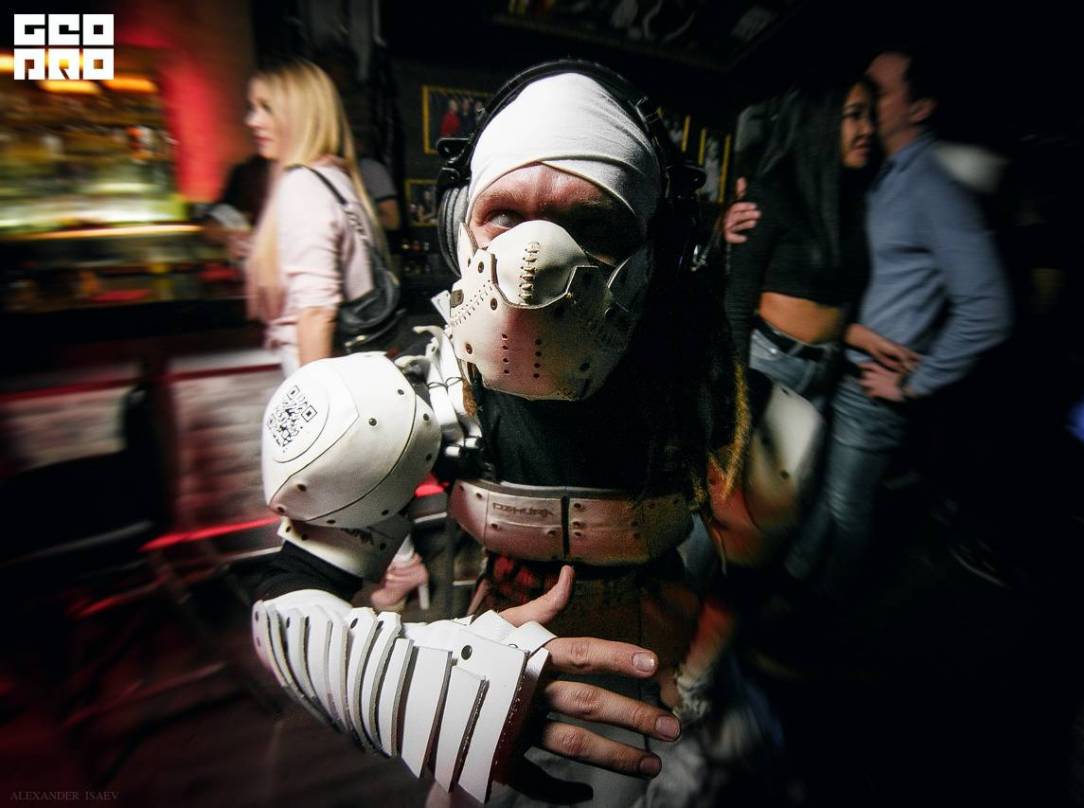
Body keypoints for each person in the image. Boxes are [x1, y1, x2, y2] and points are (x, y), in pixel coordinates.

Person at [247, 62, 800, 805]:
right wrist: (409, 684)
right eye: (505, 216)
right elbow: (287, 602)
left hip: (653, 672)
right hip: (493, 662)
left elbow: (745, 561)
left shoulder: (707, 395)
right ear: (459, 225)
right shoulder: (416, 389)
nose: (535, 265)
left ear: (657, 252)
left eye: (592, 224)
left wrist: (694, 683)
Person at [788, 48, 1012, 594]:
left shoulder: (933, 186)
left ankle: (819, 620)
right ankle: (789, 599)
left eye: (880, 90)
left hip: (873, 390)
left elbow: (990, 308)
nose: (865, 97)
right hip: (843, 367)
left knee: (844, 510)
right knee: (820, 502)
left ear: (920, 107)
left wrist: (915, 382)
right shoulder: (884, 176)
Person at [724, 74, 892, 403]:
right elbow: (737, 306)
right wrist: (735, 395)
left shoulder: (852, 200)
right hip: (769, 364)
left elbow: (834, 301)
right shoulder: (772, 194)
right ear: (821, 120)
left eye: (870, 116)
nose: (869, 129)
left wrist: (867, 339)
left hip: (826, 369)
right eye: (855, 115)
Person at [243, 59, 385, 377]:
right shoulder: (335, 178)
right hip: (351, 368)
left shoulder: (303, 184)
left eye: (267, 108)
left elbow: (317, 311)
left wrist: (312, 398)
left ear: (299, 114)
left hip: (320, 372)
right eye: (253, 108)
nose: (252, 120)